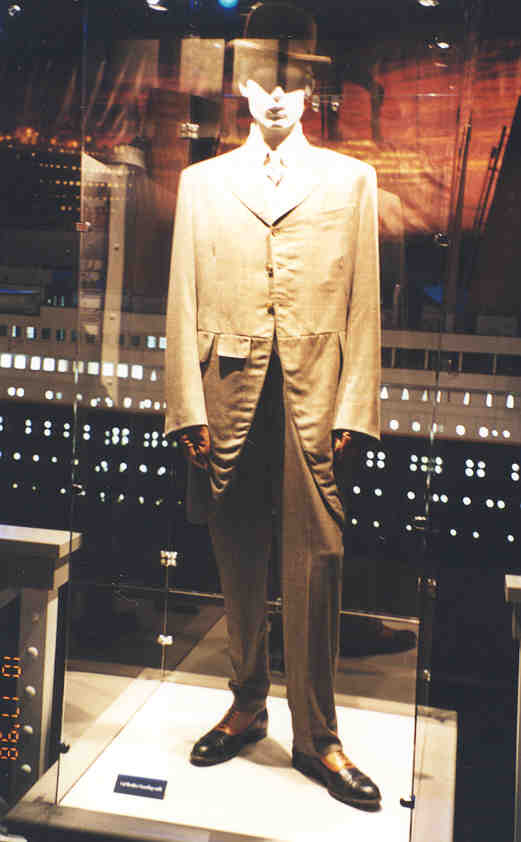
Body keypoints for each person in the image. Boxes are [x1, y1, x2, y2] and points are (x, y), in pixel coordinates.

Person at [165, 1, 381, 811]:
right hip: (226, 393)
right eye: (263, 81)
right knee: (237, 556)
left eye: (292, 82)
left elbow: (364, 303)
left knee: (317, 561)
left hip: (314, 395)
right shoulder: (201, 183)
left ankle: (318, 733)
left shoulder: (351, 181)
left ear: (312, 90)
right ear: (243, 91)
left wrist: (355, 406)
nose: (278, 96)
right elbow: (181, 296)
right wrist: (184, 403)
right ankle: (245, 701)